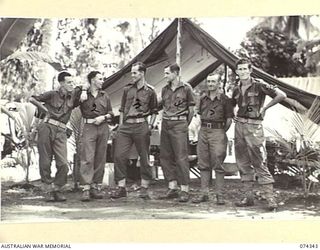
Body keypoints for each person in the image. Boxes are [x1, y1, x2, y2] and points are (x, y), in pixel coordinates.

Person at [231, 58, 286, 210]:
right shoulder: (236, 89)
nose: (242, 72)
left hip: (254, 127)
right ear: (237, 72)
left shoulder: (259, 85)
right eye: (239, 69)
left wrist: (265, 108)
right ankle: (247, 197)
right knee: (242, 162)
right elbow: (232, 104)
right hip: (239, 126)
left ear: (250, 70)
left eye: (244, 69)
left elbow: (281, 95)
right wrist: (234, 113)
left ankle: (269, 198)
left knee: (259, 162)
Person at [29, 71, 87, 202]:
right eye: (68, 82)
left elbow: (85, 85)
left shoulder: (73, 97)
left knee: (63, 163)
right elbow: (32, 99)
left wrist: (83, 91)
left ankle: (58, 188)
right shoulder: (51, 94)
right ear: (61, 83)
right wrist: (44, 110)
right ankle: (48, 189)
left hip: (61, 131)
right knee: (45, 160)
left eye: (72, 82)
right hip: (46, 127)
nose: (72, 84)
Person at [112, 62, 158, 200]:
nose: (132, 75)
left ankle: (144, 187)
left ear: (142, 73)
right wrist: (120, 126)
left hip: (141, 125)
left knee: (144, 157)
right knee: (119, 156)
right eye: (132, 73)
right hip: (126, 126)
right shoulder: (127, 89)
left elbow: (154, 110)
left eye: (135, 73)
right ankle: (121, 187)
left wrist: (150, 126)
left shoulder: (150, 91)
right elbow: (121, 110)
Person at [191, 73, 233, 205]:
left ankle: (219, 195)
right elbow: (197, 115)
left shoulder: (225, 99)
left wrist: (220, 131)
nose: (210, 84)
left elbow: (229, 120)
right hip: (203, 130)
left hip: (218, 131)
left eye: (213, 82)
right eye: (208, 82)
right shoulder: (203, 99)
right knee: (203, 163)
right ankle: (204, 193)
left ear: (219, 83)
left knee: (218, 163)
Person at [159, 63, 195, 202]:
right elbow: (163, 107)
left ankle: (185, 189)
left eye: (167, 73)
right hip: (166, 123)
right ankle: (172, 187)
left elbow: (191, 109)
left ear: (175, 73)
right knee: (165, 156)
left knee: (181, 157)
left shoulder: (186, 88)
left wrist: (185, 124)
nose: (165, 76)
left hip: (180, 123)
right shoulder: (164, 89)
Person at [79, 71, 114, 201]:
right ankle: (86, 188)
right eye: (100, 79)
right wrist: (83, 90)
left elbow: (111, 112)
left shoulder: (105, 95)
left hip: (103, 127)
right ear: (93, 80)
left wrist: (103, 117)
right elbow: (74, 93)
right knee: (87, 157)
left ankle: (95, 186)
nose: (103, 81)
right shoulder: (83, 95)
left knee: (100, 157)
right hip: (89, 127)